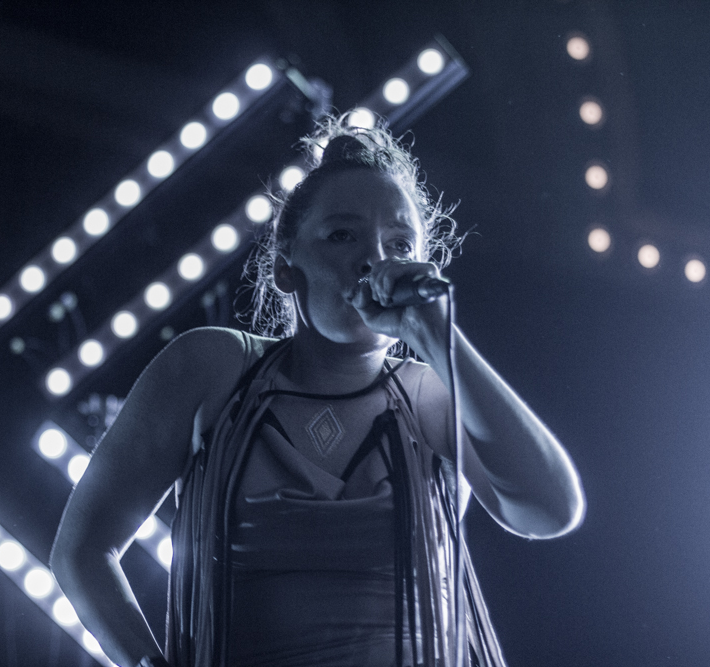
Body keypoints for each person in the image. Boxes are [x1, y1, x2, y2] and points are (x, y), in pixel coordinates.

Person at [50, 114, 585, 667]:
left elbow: (551, 511)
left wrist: (438, 336)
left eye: (399, 241)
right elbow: (83, 550)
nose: (374, 258)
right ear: (286, 266)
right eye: (342, 235)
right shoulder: (213, 367)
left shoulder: (431, 397)